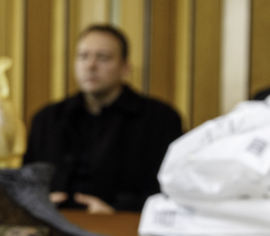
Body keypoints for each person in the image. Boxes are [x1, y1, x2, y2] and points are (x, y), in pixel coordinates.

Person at [23, 24, 183, 214]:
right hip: (55, 223)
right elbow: (27, 183)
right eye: (83, 56)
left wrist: (117, 211)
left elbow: (171, 191)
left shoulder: (160, 119)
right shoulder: (47, 119)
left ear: (125, 67)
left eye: (103, 57)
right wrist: (40, 203)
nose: (91, 66)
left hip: (126, 225)